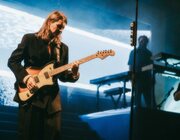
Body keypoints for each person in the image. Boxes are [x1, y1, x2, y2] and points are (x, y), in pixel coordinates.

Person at [7, 11, 80, 140]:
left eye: (62, 28)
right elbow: (13, 61)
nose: (60, 31)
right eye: (58, 26)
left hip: (52, 102)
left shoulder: (62, 48)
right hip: (32, 97)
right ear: (49, 22)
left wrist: (74, 73)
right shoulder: (30, 39)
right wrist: (27, 77)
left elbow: (62, 75)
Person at [128, 35, 156, 109]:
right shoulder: (133, 52)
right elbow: (130, 66)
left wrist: (141, 70)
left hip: (147, 79)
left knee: (149, 101)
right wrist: (131, 78)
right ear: (138, 41)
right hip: (137, 79)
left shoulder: (149, 53)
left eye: (145, 41)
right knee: (137, 101)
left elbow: (151, 66)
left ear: (147, 42)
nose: (143, 42)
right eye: (141, 41)